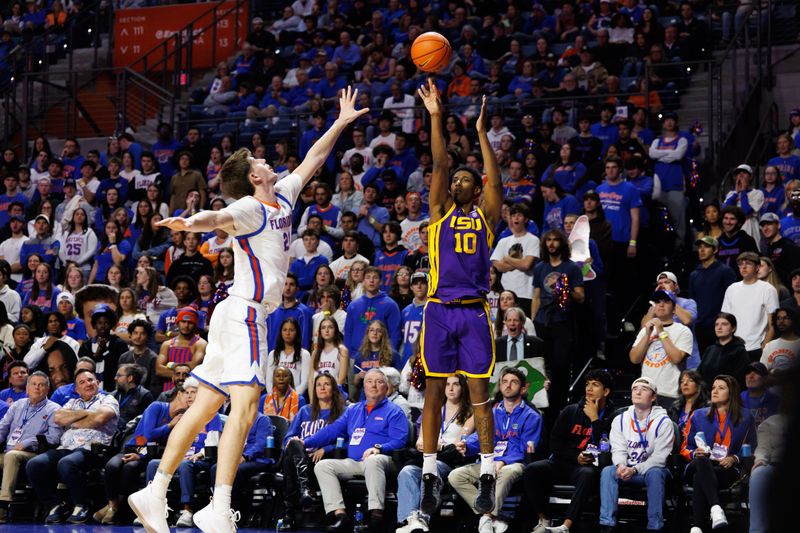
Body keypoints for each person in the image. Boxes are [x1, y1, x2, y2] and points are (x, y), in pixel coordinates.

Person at [128, 86, 369, 533]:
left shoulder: (285, 196)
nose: (265, 161)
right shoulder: (248, 207)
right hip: (245, 314)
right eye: (259, 162)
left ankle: (154, 490)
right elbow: (213, 219)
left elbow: (313, 158)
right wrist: (188, 222)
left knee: (203, 408)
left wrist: (341, 121)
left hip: (232, 314)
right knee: (248, 402)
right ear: (254, 177)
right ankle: (218, 508)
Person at [415, 82, 503, 518]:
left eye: (465, 178)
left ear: (475, 188)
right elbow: (439, 160)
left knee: (479, 394)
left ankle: (487, 472)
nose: (457, 180)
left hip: (473, 312)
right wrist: (435, 115)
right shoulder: (438, 212)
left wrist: (483, 134)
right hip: (438, 310)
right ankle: (430, 473)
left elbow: (496, 181)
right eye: (455, 178)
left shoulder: (486, 219)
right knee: (433, 393)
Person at [294, 368, 408, 532]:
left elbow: (400, 440)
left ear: (386, 387)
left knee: (373, 461)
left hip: (384, 460)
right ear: (364, 386)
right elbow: (331, 431)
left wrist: (379, 448)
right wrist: (305, 442)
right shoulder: (353, 410)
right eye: (369, 381)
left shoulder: (394, 411)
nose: (374, 385)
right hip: (354, 462)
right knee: (323, 466)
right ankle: (341, 516)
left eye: (379, 382)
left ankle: (376, 516)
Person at [449, 366, 542, 533]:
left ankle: (486, 518)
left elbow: (527, 449)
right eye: (504, 381)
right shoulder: (492, 412)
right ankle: (491, 516)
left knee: (506, 473)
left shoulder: (531, 416)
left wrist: (504, 461)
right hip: (489, 462)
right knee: (456, 476)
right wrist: (467, 445)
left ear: (522, 388)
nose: (508, 385)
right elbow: (481, 437)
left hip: (516, 464)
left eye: (514, 382)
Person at [523, 369, 615, 533]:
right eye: (587, 384)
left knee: (587, 474)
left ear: (606, 391)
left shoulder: (613, 416)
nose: (589, 388)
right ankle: (544, 519)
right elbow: (555, 443)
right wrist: (575, 456)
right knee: (532, 470)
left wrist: (594, 419)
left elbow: (605, 445)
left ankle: (566, 526)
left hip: (588, 468)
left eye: (595, 385)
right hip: (563, 462)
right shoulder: (570, 411)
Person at [26, 369, 119, 524]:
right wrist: (88, 413)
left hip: (93, 449)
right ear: (76, 389)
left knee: (67, 463)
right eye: (82, 382)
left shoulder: (108, 400)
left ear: (97, 382)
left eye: (90, 380)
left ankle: (82, 504)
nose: (87, 384)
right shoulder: (72, 402)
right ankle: (54, 504)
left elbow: (100, 418)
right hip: (66, 447)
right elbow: (58, 418)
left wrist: (73, 420)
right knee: (35, 464)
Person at [95, 385, 190, 525]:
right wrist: (170, 425)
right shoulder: (157, 406)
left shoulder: (184, 418)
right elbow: (149, 434)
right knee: (112, 466)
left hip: (150, 455)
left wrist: (142, 456)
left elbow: (168, 446)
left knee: (129, 469)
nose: (190, 397)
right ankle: (112, 504)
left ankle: (114, 508)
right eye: (187, 393)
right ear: (179, 394)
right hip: (133, 447)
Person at [396, 374, 474, 533]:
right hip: (426, 458)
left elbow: (458, 444)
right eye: (447, 385)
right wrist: (438, 446)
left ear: (463, 388)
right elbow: (420, 442)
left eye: (456, 384)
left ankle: (424, 517)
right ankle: (410, 519)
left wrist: (433, 446)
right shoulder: (433, 410)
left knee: (432, 468)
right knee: (407, 471)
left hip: (449, 462)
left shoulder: (470, 413)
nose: (451, 388)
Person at [144, 377, 223, 528]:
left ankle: (187, 510)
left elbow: (214, 441)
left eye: (193, 392)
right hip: (182, 457)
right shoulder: (183, 416)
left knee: (185, 465)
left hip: (202, 458)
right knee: (153, 464)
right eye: (186, 392)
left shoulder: (212, 415)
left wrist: (199, 454)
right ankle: (152, 509)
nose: (189, 396)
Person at [599, 376, 674, 533]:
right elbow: (618, 449)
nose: (638, 392)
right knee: (608, 472)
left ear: (653, 397)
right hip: (628, 469)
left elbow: (659, 459)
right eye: (635, 388)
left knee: (654, 473)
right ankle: (607, 524)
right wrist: (620, 466)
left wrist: (634, 469)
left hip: (655, 469)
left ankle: (655, 526)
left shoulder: (663, 422)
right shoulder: (620, 420)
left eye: (644, 389)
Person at [684, 375, 756, 533]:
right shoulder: (698, 415)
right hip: (697, 463)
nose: (715, 391)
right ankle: (716, 508)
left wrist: (734, 458)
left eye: (721, 388)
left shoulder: (745, 417)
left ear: (731, 393)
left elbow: (750, 448)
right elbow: (685, 447)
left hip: (726, 469)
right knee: (703, 461)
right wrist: (694, 453)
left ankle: (696, 527)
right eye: (713, 387)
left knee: (700, 477)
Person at [279, 373, 346, 528]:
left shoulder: (342, 413)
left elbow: (348, 441)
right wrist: (299, 449)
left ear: (334, 389)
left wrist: (325, 449)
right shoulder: (304, 411)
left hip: (323, 460)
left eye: (327, 384)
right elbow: (288, 438)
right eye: (318, 385)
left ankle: (289, 514)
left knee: (291, 460)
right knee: (294, 446)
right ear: (314, 390)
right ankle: (304, 490)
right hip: (301, 456)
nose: (322, 388)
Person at [530, 229, 584, 410]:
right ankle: (540, 404)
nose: (552, 243)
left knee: (561, 366)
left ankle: (559, 405)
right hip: (542, 321)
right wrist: (532, 320)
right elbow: (536, 296)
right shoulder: (539, 267)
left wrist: (564, 290)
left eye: (555, 240)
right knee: (541, 365)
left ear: (561, 243)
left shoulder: (571, 268)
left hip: (563, 321)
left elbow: (581, 296)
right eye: (549, 240)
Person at [0, 371, 61, 523]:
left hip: (34, 455)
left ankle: (3, 506)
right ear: (27, 388)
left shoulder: (54, 409)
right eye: (33, 384)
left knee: (12, 456)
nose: (37, 388)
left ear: (47, 389)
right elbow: (3, 427)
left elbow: (55, 438)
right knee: (10, 455)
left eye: (41, 385)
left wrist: (28, 443)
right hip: (9, 451)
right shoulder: (17, 406)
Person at [629, 289, 693, 404]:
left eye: (666, 302)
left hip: (669, 393)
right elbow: (634, 358)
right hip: (646, 392)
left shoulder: (683, 331)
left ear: (674, 309)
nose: (661, 305)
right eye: (658, 302)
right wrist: (648, 334)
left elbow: (676, 358)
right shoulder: (646, 330)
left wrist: (661, 331)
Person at [721, 251, 779, 361]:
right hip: (733, 348)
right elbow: (725, 320)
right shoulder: (732, 289)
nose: (743, 266)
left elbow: (773, 324)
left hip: (756, 348)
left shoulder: (768, 289)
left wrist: (764, 348)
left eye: (748, 263)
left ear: (757, 267)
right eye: (740, 264)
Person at [689, 236, 737, 353]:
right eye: (700, 247)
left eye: (706, 247)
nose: (702, 250)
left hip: (720, 325)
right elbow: (692, 301)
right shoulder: (694, 274)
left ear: (715, 250)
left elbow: (733, 299)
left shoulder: (725, 271)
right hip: (700, 326)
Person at [490, 204, 539, 311]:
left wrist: (507, 259)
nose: (515, 218)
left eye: (519, 215)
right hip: (505, 294)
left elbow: (526, 265)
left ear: (525, 219)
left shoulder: (533, 240)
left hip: (525, 294)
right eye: (513, 215)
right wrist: (519, 261)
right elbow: (498, 266)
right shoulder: (503, 241)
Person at [343, 266, 401, 357]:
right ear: (363, 281)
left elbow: (395, 334)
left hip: (381, 357)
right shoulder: (353, 306)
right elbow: (348, 333)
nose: (371, 281)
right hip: (355, 356)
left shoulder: (390, 305)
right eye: (368, 277)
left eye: (375, 277)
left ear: (380, 281)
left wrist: (388, 355)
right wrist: (350, 355)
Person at [76, 304, 129, 391]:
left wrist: (105, 351)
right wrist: (98, 351)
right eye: (99, 323)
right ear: (94, 325)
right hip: (89, 391)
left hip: (112, 391)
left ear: (111, 325)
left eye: (106, 323)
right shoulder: (86, 345)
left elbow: (120, 368)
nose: (103, 326)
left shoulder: (119, 344)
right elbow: (83, 369)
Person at [155, 307, 207, 392]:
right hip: (169, 391)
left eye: (190, 322)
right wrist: (184, 373)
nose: (186, 325)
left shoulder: (200, 344)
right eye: (183, 322)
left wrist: (171, 365)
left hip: (191, 390)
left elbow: (193, 367)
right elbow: (159, 370)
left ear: (195, 325)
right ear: (178, 323)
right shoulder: (167, 344)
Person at [697, 313, 750, 388]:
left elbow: (739, 379)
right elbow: (699, 374)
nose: (719, 327)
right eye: (716, 324)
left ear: (733, 328)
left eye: (724, 324)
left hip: (729, 395)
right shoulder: (710, 349)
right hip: (707, 396)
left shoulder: (739, 351)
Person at [265, 317, 311, 396]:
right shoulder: (273, 354)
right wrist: (274, 396)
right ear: (281, 332)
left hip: (295, 398)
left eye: (291, 330)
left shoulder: (304, 354)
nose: (288, 333)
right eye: (285, 330)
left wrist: (292, 397)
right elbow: (268, 381)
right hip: (275, 399)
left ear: (297, 332)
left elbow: (305, 382)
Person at [119, 319, 160, 396]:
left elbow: (155, 386)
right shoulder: (124, 357)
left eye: (142, 334)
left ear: (147, 337)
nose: (138, 337)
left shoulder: (153, 358)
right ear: (130, 335)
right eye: (135, 333)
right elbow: (119, 380)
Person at [112, 363, 154, 431]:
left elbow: (148, 422)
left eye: (119, 375)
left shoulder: (145, 396)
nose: (115, 378)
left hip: (133, 435)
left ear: (130, 378)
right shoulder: (113, 395)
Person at [740, 362, 780, 428]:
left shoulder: (775, 401)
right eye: (748, 372)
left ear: (765, 378)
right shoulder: (738, 399)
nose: (751, 376)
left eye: (756, 372)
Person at [760, 307, 800, 373]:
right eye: (778, 318)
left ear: (793, 320)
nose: (781, 321)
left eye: (785, 318)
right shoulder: (769, 346)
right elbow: (762, 372)